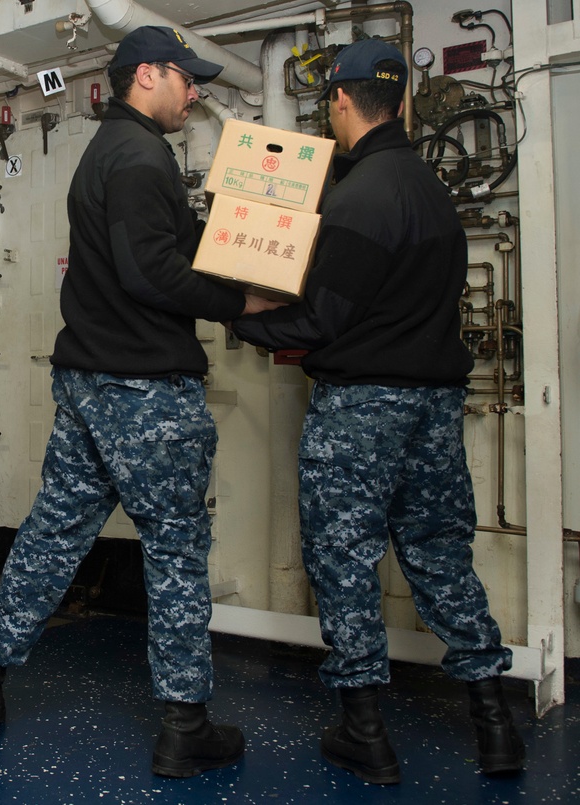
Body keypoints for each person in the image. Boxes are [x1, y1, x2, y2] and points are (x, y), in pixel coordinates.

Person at [0, 25, 277, 778]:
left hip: (89, 383)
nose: (195, 92)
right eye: (187, 79)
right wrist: (243, 301)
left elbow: (164, 244)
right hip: (142, 389)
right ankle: (183, 724)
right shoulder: (139, 156)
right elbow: (151, 273)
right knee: (173, 549)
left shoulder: (111, 152)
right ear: (149, 75)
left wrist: (236, 239)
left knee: (52, 533)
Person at [229, 38, 525, 784]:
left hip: (363, 405)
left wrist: (241, 314)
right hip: (433, 403)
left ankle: (365, 732)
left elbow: (320, 320)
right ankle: (496, 727)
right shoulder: (429, 189)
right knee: (440, 556)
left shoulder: (358, 194)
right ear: (402, 102)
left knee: (343, 558)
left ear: (338, 100)